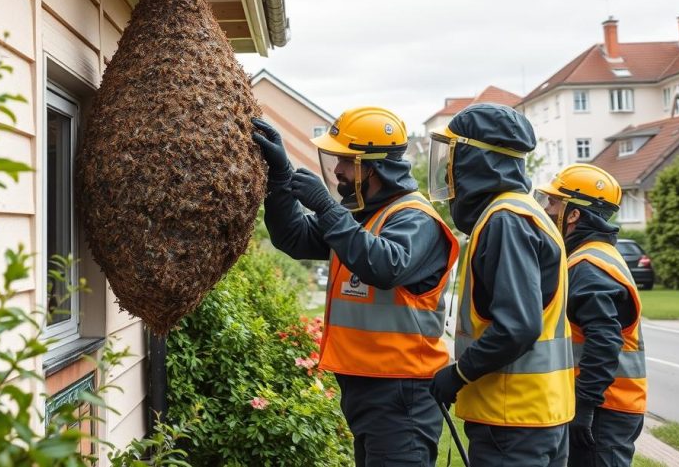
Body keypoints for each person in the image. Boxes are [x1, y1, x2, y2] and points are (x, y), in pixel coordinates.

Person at [252, 107, 459, 467]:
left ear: (373, 167)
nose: (337, 171)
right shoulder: (362, 219)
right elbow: (294, 238)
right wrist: (280, 181)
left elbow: (385, 265)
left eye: (346, 161)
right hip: (370, 390)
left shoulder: (415, 219)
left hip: (402, 392)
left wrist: (325, 208)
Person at [426, 103, 574, 467]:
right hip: (540, 414)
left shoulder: (505, 220)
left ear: (476, 161)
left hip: (513, 419)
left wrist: (458, 374)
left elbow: (518, 327)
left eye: (455, 156)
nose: (449, 168)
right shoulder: (526, 211)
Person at [535, 164, 647, 467]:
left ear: (573, 214)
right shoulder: (592, 256)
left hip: (605, 409)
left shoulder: (589, 265)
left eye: (554, 202)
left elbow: (604, 340)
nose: (546, 208)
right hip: (606, 405)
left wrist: (584, 405)